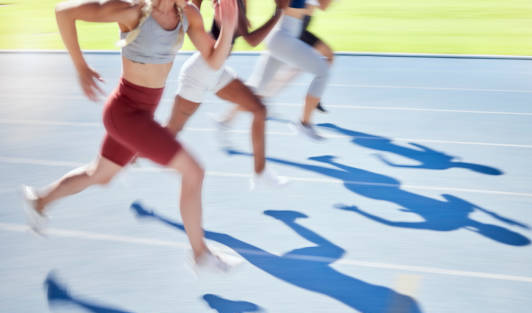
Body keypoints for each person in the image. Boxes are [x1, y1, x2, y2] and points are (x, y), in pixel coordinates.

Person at [22, 0, 241, 272]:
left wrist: (228, 27)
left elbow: (213, 60)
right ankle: (200, 254)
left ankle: (40, 200)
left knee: (100, 175)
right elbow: (64, 12)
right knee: (193, 172)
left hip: (142, 115)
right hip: (124, 114)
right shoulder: (133, 12)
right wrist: (81, 68)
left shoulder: (188, 14)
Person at [166, 0, 289, 189]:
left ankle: (260, 172)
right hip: (199, 73)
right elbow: (251, 40)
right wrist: (279, 12)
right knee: (170, 132)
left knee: (259, 110)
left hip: (216, 71)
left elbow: (243, 32)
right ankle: (127, 152)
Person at [222, 0, 333, 141]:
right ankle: (304, 123)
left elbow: (317, 7)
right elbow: (320, 6)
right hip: (283, 39)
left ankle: (225, 120)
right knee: (322, 72)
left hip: (281, 37)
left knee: (258, 88)